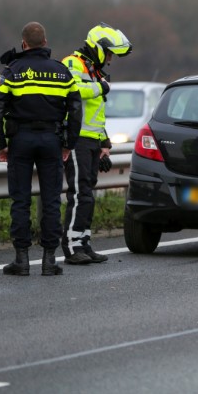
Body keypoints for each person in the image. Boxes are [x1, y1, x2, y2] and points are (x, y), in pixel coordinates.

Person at [0, 22, 82, 276]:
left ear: (24, 44)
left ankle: (21, 260)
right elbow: (75, 110)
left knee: (21, 200)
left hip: (20, 141)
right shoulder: (62, 72)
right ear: (45, 42)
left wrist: (0, 145)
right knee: (51, 200)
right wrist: (68, 144)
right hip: (51, 141)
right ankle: (50, 261)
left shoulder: (12, 71)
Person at [60, 23, 132, 265]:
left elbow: (96, 114)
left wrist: (104, 142)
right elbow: (71, 90)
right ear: (99, 48)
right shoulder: (72, 63)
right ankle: (71, 245)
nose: (110, 59)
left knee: (88, 194)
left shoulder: (94, 70)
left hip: (91, 140)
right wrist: (99, 87)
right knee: (80, 193)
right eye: (109, 53)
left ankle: (84, 242)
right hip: (76, 139)